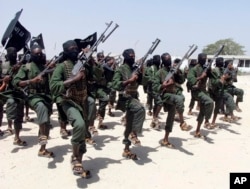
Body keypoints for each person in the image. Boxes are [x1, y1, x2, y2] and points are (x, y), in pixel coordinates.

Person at [49, 40, 91, 178]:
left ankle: (79, 161)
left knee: (83, 132)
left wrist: (90, 57)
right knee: (78, 125)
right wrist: (74, 79)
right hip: (69, 102)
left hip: (83, 101)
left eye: (76, 48)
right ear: (66, 51)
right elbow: (54, 87)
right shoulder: (62, 67)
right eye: (71, 48)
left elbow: (98, 76)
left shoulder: (82, 64)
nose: (74, 50)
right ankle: (74, 157)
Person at [12, 44, 54, 157]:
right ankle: (41, 137)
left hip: (45, 97)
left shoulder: (44, 67)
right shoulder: (27, 67)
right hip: (32, 96)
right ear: (32, 55)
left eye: (40, 53)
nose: (39, 55)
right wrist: (32, 81)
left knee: (46, 121)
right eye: (37, 53)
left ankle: (42, 148)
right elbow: (17, 82)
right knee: (41, 108)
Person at [112, 48, 145, 160]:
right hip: (125, 98)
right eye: (131, 55)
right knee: (141, 109)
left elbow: (144, 83)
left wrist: (142, 73)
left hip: (134, 97)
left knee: (129, 123)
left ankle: (126, 149)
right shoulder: (121, 69)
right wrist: (129, 81)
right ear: (125, 57)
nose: (133, 57)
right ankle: (133, 134)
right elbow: (115, 85)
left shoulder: (135, 68)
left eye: (134, 55)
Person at [152, 53, 191, 148]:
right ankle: (182, 122)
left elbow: (181, 81)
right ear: (163, 61)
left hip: (172, 94)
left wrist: (178, 72)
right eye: (167, 59)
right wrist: (165, 85)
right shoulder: (159, 72)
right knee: (179, 99)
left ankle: (165, 139)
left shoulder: (173, 70)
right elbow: (155, 87)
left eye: (169, 59)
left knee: (170, 118)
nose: (168, 61)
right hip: (165, 95)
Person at [0, 47, 26, 144]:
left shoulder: (22, 65)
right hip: (6, 91)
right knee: (7, 108)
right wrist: (6, 76)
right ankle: (8, 126)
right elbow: (2, 77)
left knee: (19, 115)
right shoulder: (4, 65)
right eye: (11, 53)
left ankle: (16, 136)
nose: (14, 54)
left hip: (18, 92)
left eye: (15, 52)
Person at [187, 53, 214, 138]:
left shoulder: (205, 68)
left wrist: (210, 71)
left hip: (203, 91)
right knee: (210, 102)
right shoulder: (194, 69)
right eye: (202, 58)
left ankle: (197, 131)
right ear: (199, 59)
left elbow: (213, 78)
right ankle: (207, 120)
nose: (204, 60)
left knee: (202, 111)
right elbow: (191, 81)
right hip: (196, 91)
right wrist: (200, 77)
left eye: (205, 58)